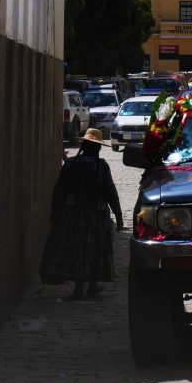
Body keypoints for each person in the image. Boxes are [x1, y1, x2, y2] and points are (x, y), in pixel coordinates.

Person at [39, 128, 123, 300]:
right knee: (95, 248)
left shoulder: (70, 164)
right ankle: (90, 285)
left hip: (73, 214)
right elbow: (110, 193)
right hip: (96, 214)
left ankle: (81, 287)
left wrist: (55, 212)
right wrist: (119, 216)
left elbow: (59, 191)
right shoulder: (101, 166)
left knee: (77, 250)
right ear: (98, 148)